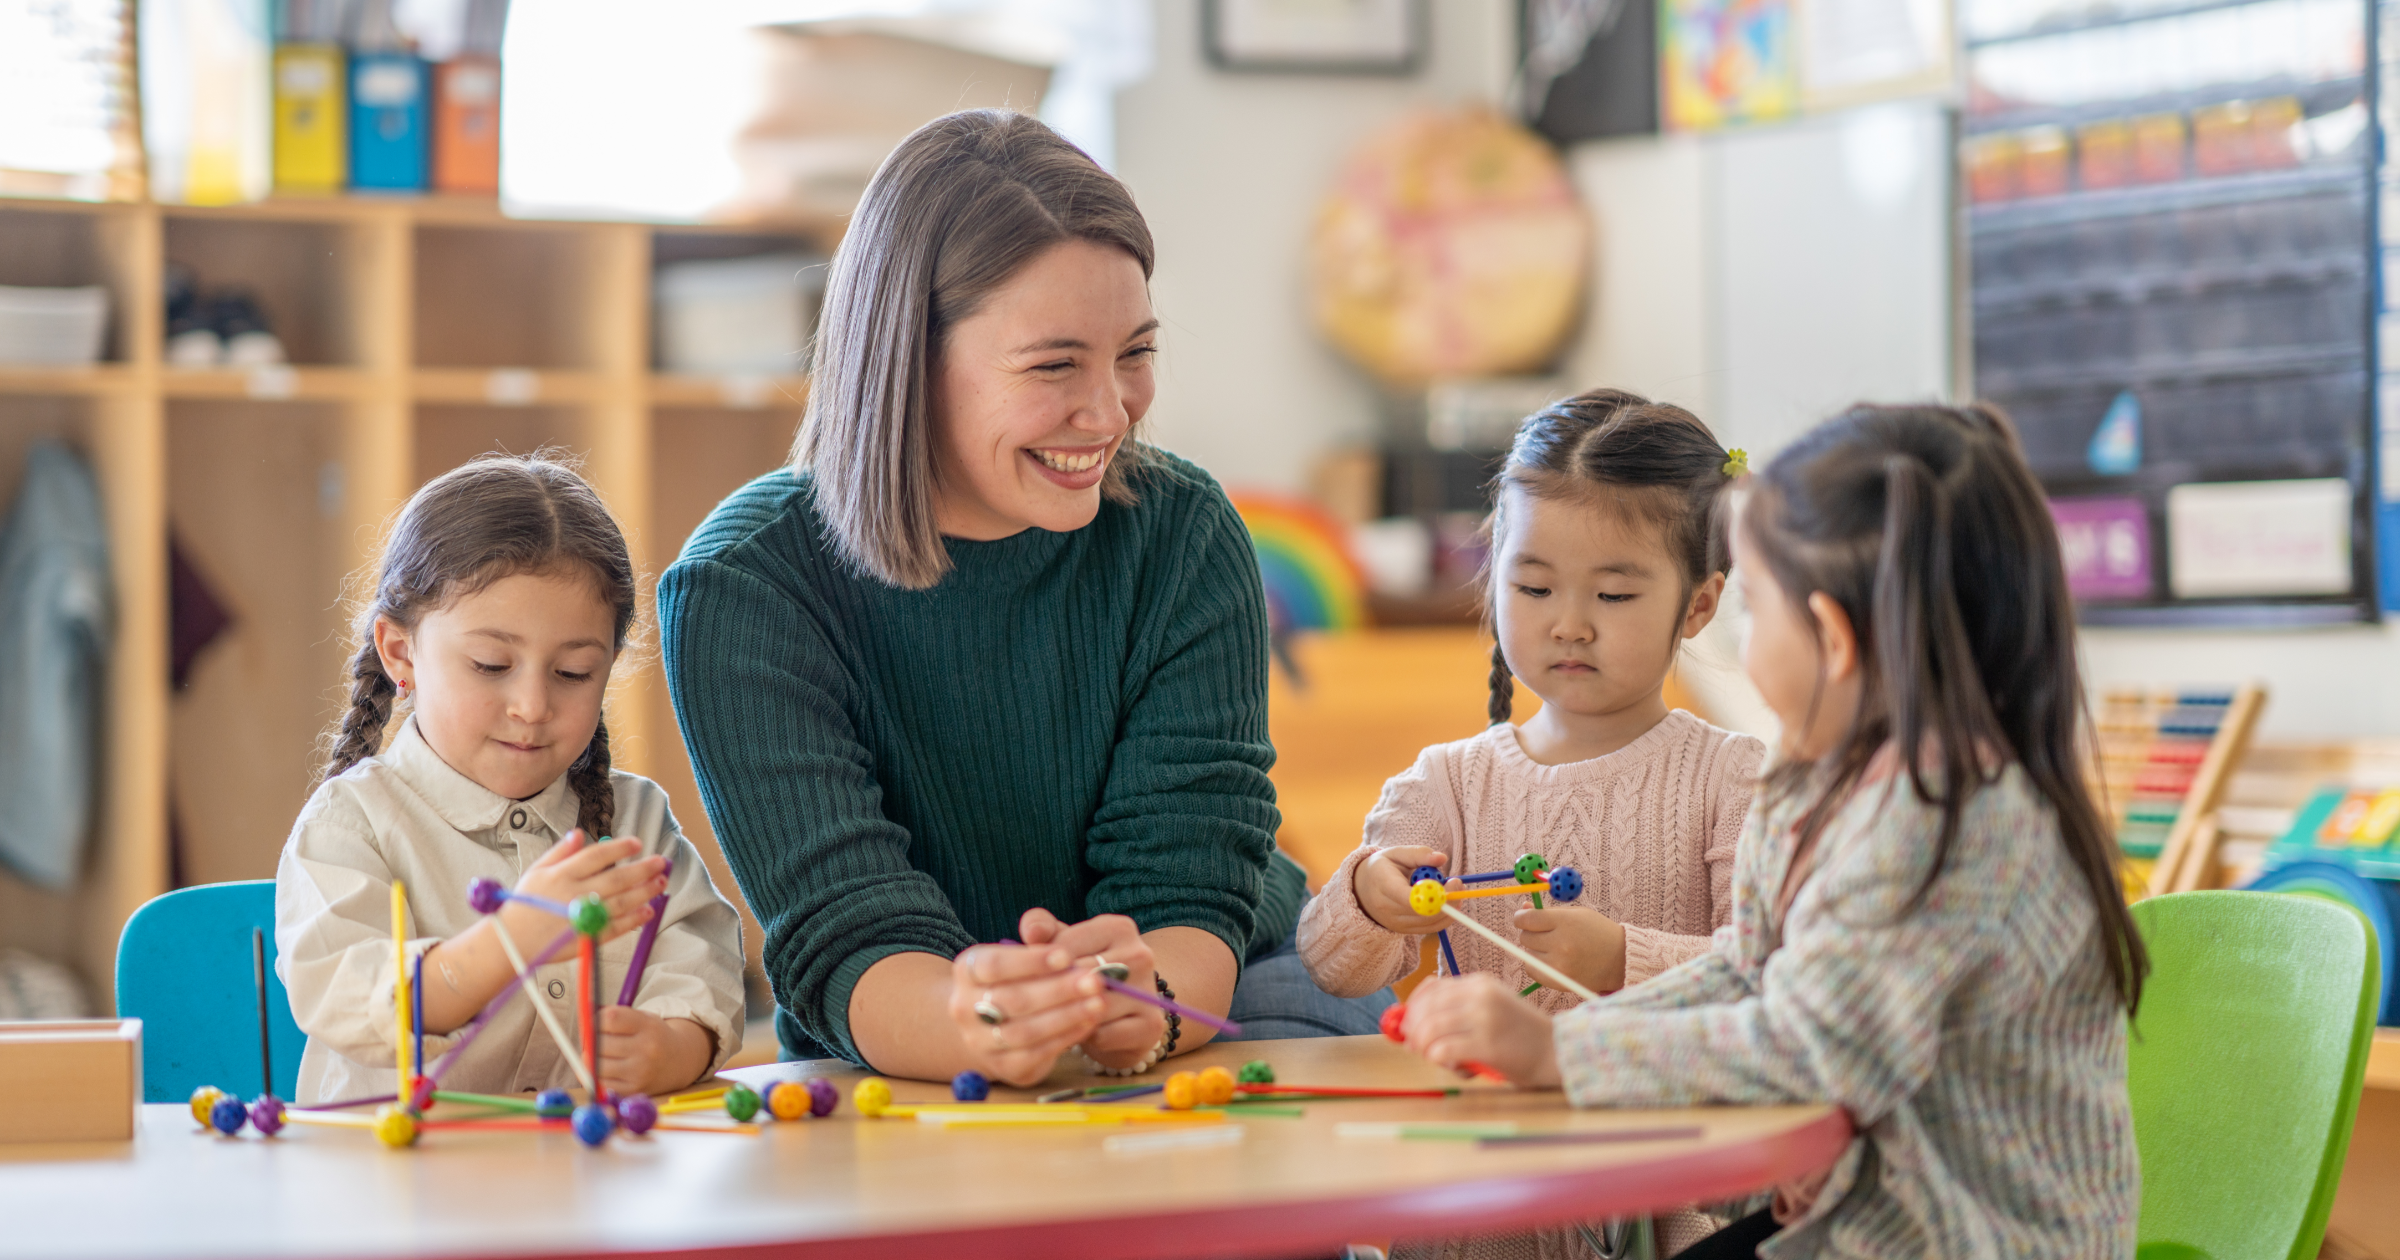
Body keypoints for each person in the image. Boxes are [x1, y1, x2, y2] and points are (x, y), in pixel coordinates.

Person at [658, 109, 1389, 1088]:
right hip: (915, 1043)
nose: (1111, 410)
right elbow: (846, 936)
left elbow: (1192, 891)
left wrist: (1145, 1010)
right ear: (906, 358)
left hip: (1233, 994)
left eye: (1135, 352)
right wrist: (987, 1026)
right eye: (1055, 365)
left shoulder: (1183, 531)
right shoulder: (744, 585)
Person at [1393, 403, 2146, 1259]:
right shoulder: (1817, 784)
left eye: (1757, 606)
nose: (1741, 639)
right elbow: (1750, 970)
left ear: (1828, 637)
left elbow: (1811, 1048)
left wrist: (1561, 1055)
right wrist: (1560, 1045)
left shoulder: (1951, 818)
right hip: (1862, 1224)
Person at [1298, 389, 1764, 1258]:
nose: (1569, 622)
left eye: (1616, 594)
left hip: (1662, 1208)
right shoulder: (1446, 782)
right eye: (1534, 584)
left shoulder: (1732, 778)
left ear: (1699, 606)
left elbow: (1774, 978)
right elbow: (1330, 967)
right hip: (1475, 1212)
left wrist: (1623, 957)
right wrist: (1368, 896)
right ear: (1494, 575)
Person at [276, 456, 745, 1104]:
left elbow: (704, 967)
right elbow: (347, 994)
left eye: (574, 672)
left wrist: (673, 1047)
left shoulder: (635, 823)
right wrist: (512, 938)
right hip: (391, 1186)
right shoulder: (349, 822)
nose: (532, 705)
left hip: (581, 1180)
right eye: (491, 664)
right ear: (400, 652)